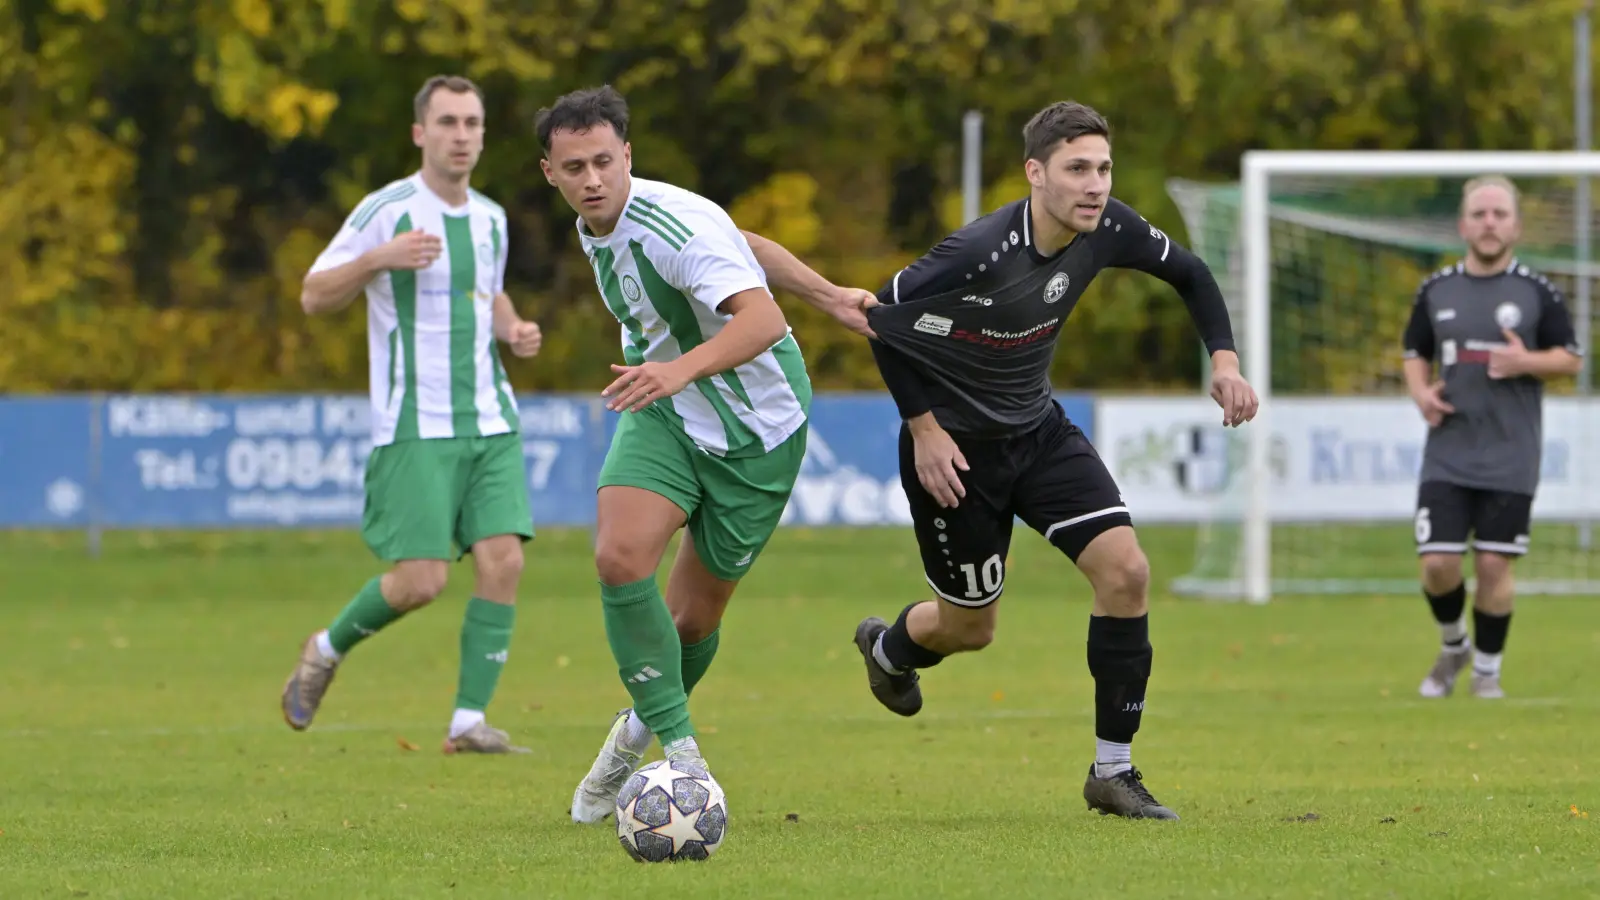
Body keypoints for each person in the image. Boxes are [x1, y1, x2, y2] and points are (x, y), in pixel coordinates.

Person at [750, 100, 1258, 821]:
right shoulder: (976, 253)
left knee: (1128, 571)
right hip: (955, 456)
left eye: (1104, 168)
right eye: (1077, 169)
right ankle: (889, 650)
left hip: (1040, 433)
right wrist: (924, 429)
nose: (1096, 185)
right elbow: (882, 321)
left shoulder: (1109, 227)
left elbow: (1193, 275)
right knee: (970, 628)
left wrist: (1225, 361)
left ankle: (1113, 771)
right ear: (1035, 173)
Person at [536, 85, 861, 824]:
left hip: (759, 430)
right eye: (574, 166)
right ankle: (681, 760)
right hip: (668, 413)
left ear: (628, 157)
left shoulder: (667, 222)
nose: (592, 180)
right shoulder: (601, 221)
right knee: (620, 559)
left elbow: (760, 319)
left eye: (604, 163)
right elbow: (742, 243)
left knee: (691, 624)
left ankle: (633, 732)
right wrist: (832, 295)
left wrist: (681, 365)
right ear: (549, 173)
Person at [280, 75, 544, 755]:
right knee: (421, 581)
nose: (462, 136)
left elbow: (489, 294)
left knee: (503, 561)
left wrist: (512, 330)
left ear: (484, 134)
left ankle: (468, 722)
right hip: (415, 423)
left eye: (473, 123)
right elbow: (313, 295)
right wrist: (378, 260)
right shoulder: (387, 209)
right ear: (420, 133)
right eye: (449, 122)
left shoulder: (490, 218)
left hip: (490, 417)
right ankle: (325, 648)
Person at [1403, 175, 1583, 700]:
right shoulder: (1436, 289)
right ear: (1463, 225)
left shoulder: (1538, 292)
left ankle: (1486, 671)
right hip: (1449, 450)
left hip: (1511, 454)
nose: (1489, 223)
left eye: (1499, 214)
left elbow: (1570, 358)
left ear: (1517, 227)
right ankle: (1454, 643)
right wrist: (1419, 393)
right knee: (1437, 563)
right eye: (1479, 214)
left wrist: (1526, 360)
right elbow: (1414, 350)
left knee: (1492, 564)